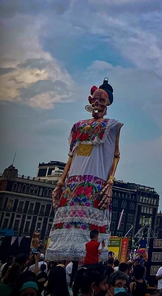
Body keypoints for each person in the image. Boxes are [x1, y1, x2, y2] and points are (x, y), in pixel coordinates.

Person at [47, 79, 123, 261]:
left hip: (96, 184)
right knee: (67, 233)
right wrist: (60, 182)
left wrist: (110, 180)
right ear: (90, 101)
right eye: (94, 101)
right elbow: (71, 155)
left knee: (92, 230)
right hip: (73, 183)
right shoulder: (78, 126)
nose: (97, 104)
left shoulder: (112, 126)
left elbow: (116, 155)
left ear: (108, 103)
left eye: (101, 101)